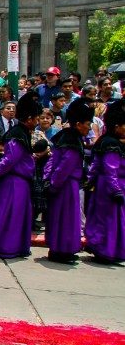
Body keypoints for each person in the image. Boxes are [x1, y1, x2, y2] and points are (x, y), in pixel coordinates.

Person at [0, 91, 40, 259]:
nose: (37, 122)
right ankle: (6, 247)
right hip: (14, 182)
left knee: (16, 216)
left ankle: (15, 247)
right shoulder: (17, 134)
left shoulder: (21, 132)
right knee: (11, 216)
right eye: (36, 118)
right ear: (29, 118)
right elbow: (10, 158)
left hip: (20, 181)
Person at [44, 98, 92, 264]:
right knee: (65, 219)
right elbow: (65, 166)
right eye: (88, 123)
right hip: (66, 186)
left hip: (63, 184)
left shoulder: (66, 136)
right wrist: (55, 184)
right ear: (78, 123)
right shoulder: (72, 140)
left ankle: (61, 249)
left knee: (61, 218)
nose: (90, 127)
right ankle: (62, 250)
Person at [84, 99, 125, 264]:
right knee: (110, 221)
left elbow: (94, 166)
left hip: (103, 186)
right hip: (111, 188)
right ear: (117, 126)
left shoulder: (105, 141)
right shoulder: (112, 144)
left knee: (103, 219)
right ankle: (107, 251)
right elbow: (111, 169)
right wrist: (116, 190)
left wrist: (90, 181)